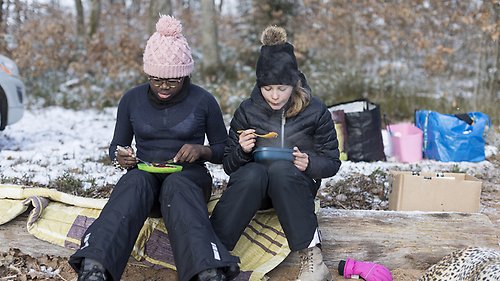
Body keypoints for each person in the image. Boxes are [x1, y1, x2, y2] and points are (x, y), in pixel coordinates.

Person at [69, 15, 240, 281]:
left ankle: (207, 271)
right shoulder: (131, 100)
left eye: (172, 81)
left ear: (185, 75)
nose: (163, 87)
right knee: (133, 183)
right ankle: (95, 267)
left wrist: (201, 151)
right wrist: (120, 156)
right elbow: (117, 144)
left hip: (190, 179)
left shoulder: (203, 100)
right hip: (144, 174)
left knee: (177, 186)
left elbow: (224, 149)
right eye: (155, 79)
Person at [210, 26, 341, 281]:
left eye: (281, 88)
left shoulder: (315, 111)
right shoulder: (247, 111)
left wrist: (310, 163)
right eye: (267, 88)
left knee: (282, 169)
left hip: (294, 185)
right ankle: (214, 253)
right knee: (253, 174)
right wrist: (242, 149)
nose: (274, 95)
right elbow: (228, 164)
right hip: (254, 190)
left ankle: (312, 259)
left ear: (294, 83)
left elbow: (332, 161)